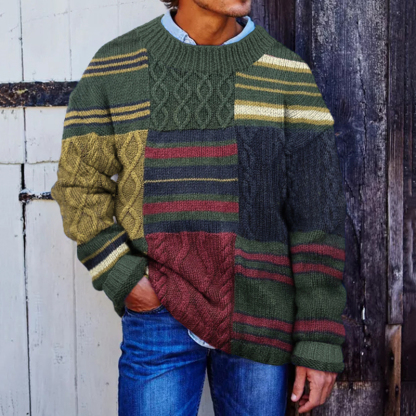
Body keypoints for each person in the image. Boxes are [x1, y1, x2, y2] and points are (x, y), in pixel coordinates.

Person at [51, 0, 348, 414]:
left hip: (261, 319)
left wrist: (319, 340)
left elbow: (317, 219)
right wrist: (124, 278)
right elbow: (79, 186)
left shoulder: (286, 75)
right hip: (159, 317)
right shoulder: (118, 67)